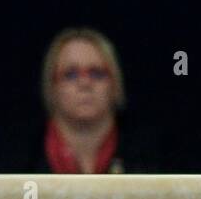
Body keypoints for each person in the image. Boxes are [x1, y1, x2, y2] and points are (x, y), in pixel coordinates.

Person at [27, 27, 155, 173]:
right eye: (71, 74)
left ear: (115, 85)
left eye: (97, 73)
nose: (85, 83)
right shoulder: (18, 157)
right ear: (52, 86)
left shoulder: (154, 157)